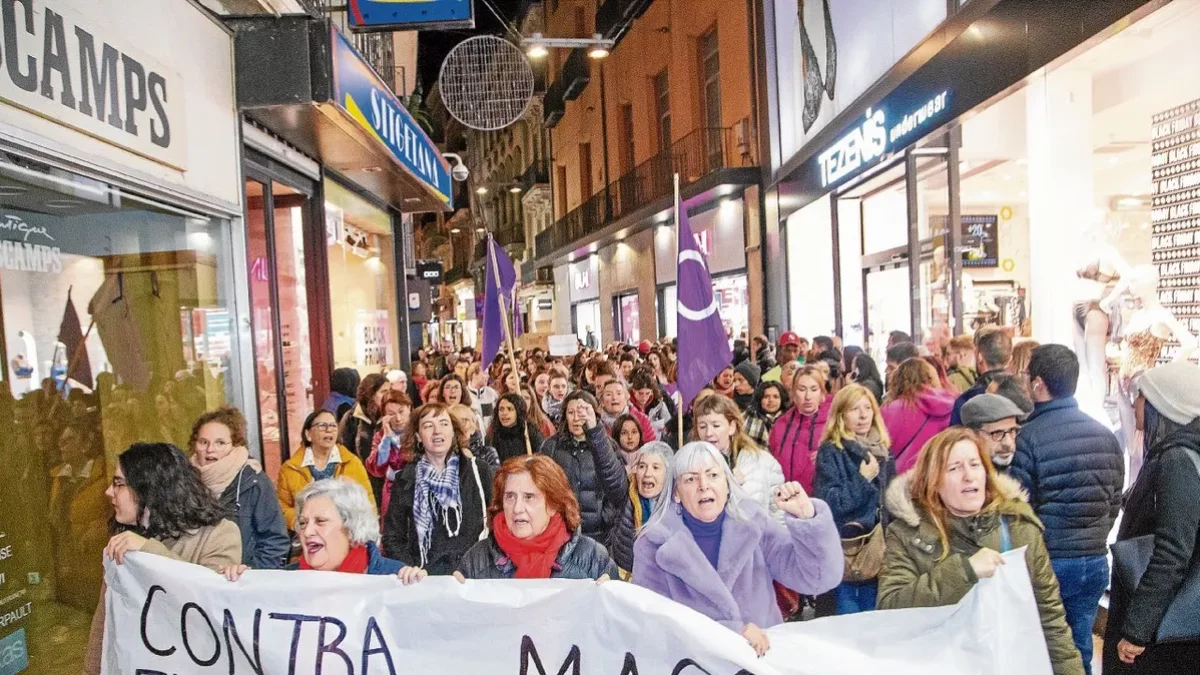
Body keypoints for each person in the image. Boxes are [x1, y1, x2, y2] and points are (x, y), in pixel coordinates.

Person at [877, 428, 1085, 675]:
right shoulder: (907, 534)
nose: (968, 476)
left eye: (974, 465)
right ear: (933, 481)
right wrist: (963, 572)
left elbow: (1049, 618)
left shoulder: (1019, 528)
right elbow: (891, 609)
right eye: (954, 468)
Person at [632, 442, 843, 656]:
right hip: (695, 664)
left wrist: (807, 519)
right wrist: (733, 634)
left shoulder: (755, 524)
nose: (703, 485)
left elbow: (818, 578)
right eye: (690, 479)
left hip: (762, 661)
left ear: (727, 483)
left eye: (713, 475)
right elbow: (653, 623)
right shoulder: (653, 544)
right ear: (676, 492)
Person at [1010, 344, 1123, 673]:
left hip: (1050, 561)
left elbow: (1020, 506)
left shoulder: (1028, 437)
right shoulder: (1105, 435)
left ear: (1038, 384)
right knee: (1080, 645)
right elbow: (1114, 499)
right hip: (1095, 560)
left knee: (1043, 647)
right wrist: (1095, 535)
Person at [83, 442, 242, 675]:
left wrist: (147, 549)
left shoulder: (219, 534)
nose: (109, 492)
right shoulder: (123, 541)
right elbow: (105, 622)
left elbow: (209, 605)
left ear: (150, 488)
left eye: (119, 483)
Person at [1104, 361, 1200, 672]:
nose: (1136, 404)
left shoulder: (1178, 460)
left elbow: (1172, 553)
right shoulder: (1184, 454)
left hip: (1165, 628)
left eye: (1142, 397)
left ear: (1164, 405)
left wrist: (1136, 630)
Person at [224, 479, 426, 583]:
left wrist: (419, 587)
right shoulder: (284, 582)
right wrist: (241, 584)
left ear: (351, 528)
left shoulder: (393, 577)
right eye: (303, 523)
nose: (307, 532)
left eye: (320, 521)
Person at [457, 455, 619, 580]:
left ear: (553, 505)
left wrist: (609, 596)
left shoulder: (593, 558)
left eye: (529, 497)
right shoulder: (476, 560)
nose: (517, 508)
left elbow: (615, 613)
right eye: (510, 497)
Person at [381, 403, 494, 575]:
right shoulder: (405, 480)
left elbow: (496, 523)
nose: (437, 431)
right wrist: (411, 570)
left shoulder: (479, 471)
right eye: (428, 426)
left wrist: (479, 566)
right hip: (425, 579)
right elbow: (392, 538)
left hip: (473, 576)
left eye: (444, 423)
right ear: (418, 436)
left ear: (453, 431)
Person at [814, 383, 894, 614]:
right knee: (846, 618)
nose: (863, 415)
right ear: (841, 415)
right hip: (847, 550)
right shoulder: (831, 451)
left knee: (875, 618)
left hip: (879, 548)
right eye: (854, 409)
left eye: (868, 408)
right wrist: (862, 479)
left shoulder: (883, 450)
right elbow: (829, 503)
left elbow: (890, 500)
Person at [189, 407, 289, 569]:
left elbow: (275, 540)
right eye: (203, 442)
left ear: (235, 445)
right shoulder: (185, 481)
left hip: (241, 578)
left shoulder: (254, 481)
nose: (210, 450)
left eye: (220, 443)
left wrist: (250, 573)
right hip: (197, 578)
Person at [539, 390, 628, 544]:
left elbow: (619, 488)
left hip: (599, 534)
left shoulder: (606, 446)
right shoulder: (551, 446)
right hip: (561, 532)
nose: (576, 418)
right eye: (571, 412)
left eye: (581, 413)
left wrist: (605, 517)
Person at [277, 409, 375, 531]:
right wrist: (302, 522)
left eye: (333, 426)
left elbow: (367, 503)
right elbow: (281, 507)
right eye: (322, 426)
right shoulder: (290, 468)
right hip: (306, 534)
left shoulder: (352, 463)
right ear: (308, 434)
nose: (329, 430)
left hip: (344, 533)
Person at [692, 394, 785, 517]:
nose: (708, 433)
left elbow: (778, 513)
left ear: (732, 427)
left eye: (716, 425)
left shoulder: (763, 462)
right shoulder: (691, 466)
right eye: (702, 427)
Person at [610, 441, 675, 576]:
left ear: (668, 473)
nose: (647, 473)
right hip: (629, 577)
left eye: (655, 467)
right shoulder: (627, 496)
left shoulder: (679, 506)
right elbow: (608, 469)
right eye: (642, 466)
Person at [880, 358, 955, 474]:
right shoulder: (948, 405)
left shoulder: (889, 409)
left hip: (899, 477)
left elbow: (882, 447)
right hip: (934, 472)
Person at [769, 365, 830, 494]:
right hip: (784, 498)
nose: (808, 396)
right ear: (793, 392)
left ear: (822, 393)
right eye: (802, 389)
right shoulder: (780, 425)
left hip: (819, 501)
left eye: (814, 389)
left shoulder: (832, 426)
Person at [950, 326, 1013, 424]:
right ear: (1010, 359)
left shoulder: (966, 400)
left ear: (979, 357)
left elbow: (956, 432)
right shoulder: (1025, 395)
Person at [365, 390, 413, 518]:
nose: (398, 418)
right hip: (392, 490)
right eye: (391, 414)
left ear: (409, 408)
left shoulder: (419, 431)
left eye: (401, 411)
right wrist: (386, 438)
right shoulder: (380, 436)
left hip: (417, 488)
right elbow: (376, 467)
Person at [960, 393, 1025, 474]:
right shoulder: (962, 477)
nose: (1008, 443)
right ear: (971, 435)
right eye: (997, 433)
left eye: (1012, 430)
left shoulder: (1023, 471)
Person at [339, 373, 390, 461]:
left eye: (389, 391)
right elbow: (344, 451)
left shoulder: (390, 415)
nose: (388, 396)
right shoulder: (351, 418)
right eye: (384, 392)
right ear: (370, 394)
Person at [489, 393, 545, 463]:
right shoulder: (493, 435)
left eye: (509, 409)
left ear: (518, 412)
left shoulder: (530, 432)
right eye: (501, 409)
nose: (504, 413)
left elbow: (542, 459)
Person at [630, 369, 676, 442]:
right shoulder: (627, 405)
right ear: (633, 390)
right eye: (640, 393)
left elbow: (669, 423)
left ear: (651, 391)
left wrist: (666, 428)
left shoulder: (658, 404)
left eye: (647, 393)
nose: (644, 398)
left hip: (657, 442)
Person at [743, 381, 790, 449]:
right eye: (766, 397)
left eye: (775, 397)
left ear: (782, 399)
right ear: (759, 399)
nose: (771, 400)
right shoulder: (746, 417)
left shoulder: (790, 420)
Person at [467, 362, 499, 431]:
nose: (488, 376)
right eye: (485, 373)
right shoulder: (464, 393)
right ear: (474, 375)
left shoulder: (492, 394)